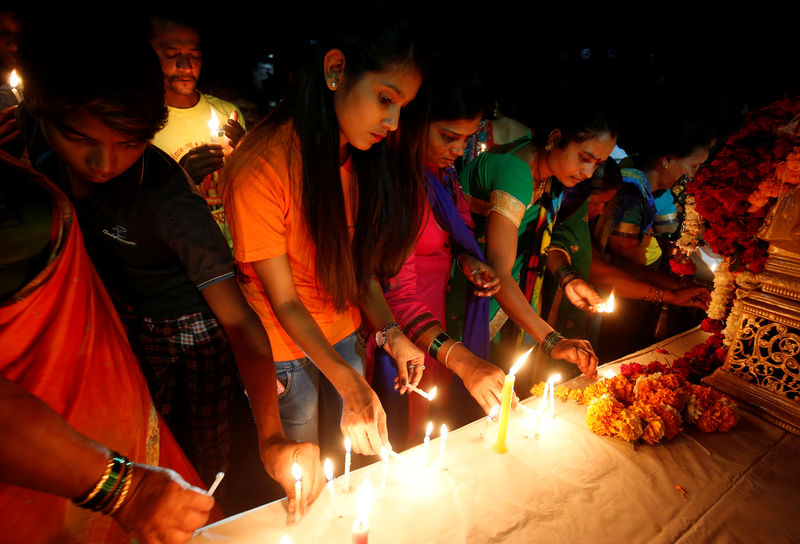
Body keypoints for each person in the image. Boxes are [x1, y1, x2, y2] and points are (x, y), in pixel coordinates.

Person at [16, 13, 324, 514]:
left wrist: (270, 436)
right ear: (41, 111)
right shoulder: (36, 140)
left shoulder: (166, 202)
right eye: (80, 141)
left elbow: (239, 322)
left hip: (193, 321)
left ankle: (206, 496)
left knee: (206, 435)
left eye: (128, 144)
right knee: (141, 421)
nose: (102, 165)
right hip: (127, 315)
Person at [220, 22, 427, 458]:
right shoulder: (262, 167)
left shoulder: (364, 161)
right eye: (385, 99)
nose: (392, 122)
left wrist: (391, 333)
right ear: (336, 70)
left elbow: (357, 267)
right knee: (306, 469)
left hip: (344, 334)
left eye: (402, 107)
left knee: (349, 467)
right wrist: (352, 384)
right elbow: (286, 300)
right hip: (284, 349)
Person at [0, 151, 215, 543]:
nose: (102, 162)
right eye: (79, 138)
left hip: (113, 419)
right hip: (37, 463)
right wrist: (121, 490)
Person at [367, 68, 506, 445]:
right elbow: (396, 294)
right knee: (400, 437)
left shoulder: (440, 175)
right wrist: (466, 362)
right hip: (398, 329)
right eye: (448, 137)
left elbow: (457, 228)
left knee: (422, 428)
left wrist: (467, 260)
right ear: (414, 122)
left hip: (432, 324)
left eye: (466, 139)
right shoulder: (396, 184)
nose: (459, 150)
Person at [459, 100, 618, 379]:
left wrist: (567, 279)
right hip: (464, 290)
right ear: (555, 138)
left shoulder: (547, 173)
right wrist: (552, 340)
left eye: (598, 163)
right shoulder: (516, 171)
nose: (589, 173)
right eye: (584, 157)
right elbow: (499, 273)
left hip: (501, 299)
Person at [543, 161, 710, 364]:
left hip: (579, 310)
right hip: (550, 308)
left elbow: (624, 268)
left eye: (606, 204)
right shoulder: (576, 215)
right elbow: (603, 272)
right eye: (598, 202)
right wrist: (672, 295)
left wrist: (678, 287)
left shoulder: (586, 217)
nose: (602, 210)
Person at [149, 14, 246, 249]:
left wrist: (248, 151)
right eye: (172, 55)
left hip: (239, 248)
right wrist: (182, 179)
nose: (186, 66)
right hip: (185, 256)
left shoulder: (228, 113)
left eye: (193, 55)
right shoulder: (144, 125)